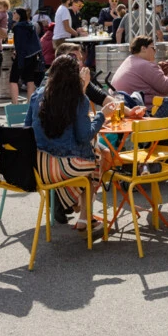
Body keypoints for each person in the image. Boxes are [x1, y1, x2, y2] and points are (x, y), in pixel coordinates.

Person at [25, 54, 116, 230]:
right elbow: (84, 136)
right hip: (66, 166)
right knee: (98, 162)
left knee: (94, 158)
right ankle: (84, 217)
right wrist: (102, 115)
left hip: (39, 167)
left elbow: (26, 129)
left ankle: (76, 206)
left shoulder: (37, 95)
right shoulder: (79, 99)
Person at [111, 35, 168, 110]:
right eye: (153, 48)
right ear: (143, 48)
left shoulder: (129, 61)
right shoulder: (145, 65)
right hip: (145, 111)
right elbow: (166, 88)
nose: (155, 51)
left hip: (126, 108)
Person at [9, 7, 43, 103]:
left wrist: (19, 59)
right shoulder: (31, 25)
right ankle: (29, 103)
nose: (13, 14)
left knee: (13, 79)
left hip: (21, 56)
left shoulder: (18, 27)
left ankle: (15, 103)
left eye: (14, 12)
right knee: (30, 80)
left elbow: (20, 45)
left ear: (19, 15)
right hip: (32, 56)